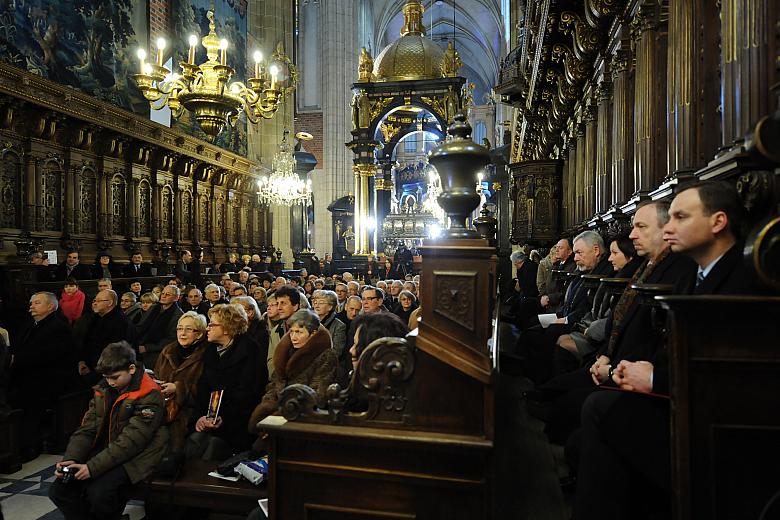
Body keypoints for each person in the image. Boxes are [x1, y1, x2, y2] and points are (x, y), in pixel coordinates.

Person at [573, 181, 762, 520]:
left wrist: (657, 379)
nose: (669, 227)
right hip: (686, 402)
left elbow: (737, 372)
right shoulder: (694, 275)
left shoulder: (745, 279)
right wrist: (639, 369)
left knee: (599, 409)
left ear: (718, 222)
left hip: (721, 427)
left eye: (680, 217)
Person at [49, 341, 168, 520]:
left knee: (100, 494)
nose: (110, 382)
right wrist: (71, 459)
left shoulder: (149, 394)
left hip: (138, 456)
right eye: (106, 377)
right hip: (107, 450)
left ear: (132, 369)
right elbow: (87, 429)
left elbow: (132, 441)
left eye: (115, 377)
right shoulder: (103, 388)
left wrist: (92, 467)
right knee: (59, 490)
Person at [189, 304, 266, 460]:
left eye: (212, 324)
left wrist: (223, 417)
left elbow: (248, 393)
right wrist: (201, 417)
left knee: (212, 448)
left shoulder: (250, 350)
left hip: (237, 422)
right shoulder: (211, 350)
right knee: (194, 443)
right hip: (210, 418)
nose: (207, 328)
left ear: (227, 328)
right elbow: (203, 388)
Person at [9, 292, 75, 460]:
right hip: (28, 372)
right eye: (31, 303)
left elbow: (50, 354)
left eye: (37, 303)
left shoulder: (58, 326)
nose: (31, 306)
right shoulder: (31, 323)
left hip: (50, 376)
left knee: (30, 399)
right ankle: (13, 444)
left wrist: (18, 360)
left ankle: (30, 446)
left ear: (50, 306)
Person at [248, 309, 337, 433]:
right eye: (292, 332)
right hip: (278, 410)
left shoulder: (325, 355)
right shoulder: (285, 352)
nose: (294, 337)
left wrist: (286, 410)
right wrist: (268, 404)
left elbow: (318, 394)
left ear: (313, 334)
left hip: (302, 417)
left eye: (299, 332)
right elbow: (274, 385)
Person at [153, 312, 209, 452]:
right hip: (162, 405)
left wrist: (178, 388)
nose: (182, 333)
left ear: (200, 333)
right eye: (179, 328)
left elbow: (206, 391)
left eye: (189, 329)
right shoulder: (168, 351)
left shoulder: (207, 354)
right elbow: (156, 374)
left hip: (189, 412)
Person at [79, 290, 134, 386]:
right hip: (90, 365)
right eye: (94, 301)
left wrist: (94, 369)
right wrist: (82, 361)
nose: (95, 303)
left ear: (110, 303)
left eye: (98, 301)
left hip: (108, 371)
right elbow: (87, 342)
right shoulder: (96, 318)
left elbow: (116, 353)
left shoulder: (120, 322)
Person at [136, 285, 183, 370]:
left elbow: (171, 339)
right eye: (163, 293)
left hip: (159, 349)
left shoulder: (178, 315)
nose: (163, 296)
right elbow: (141, 326)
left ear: (176, 298)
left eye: (168, 294)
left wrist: (147, 348)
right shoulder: (154, 308)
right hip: (142, 343)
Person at [311, 290, 347, 385]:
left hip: (327, 372)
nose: (317, 305)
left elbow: (336, 352)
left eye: (321, 302)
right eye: (315, 302)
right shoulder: (308, 323)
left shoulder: (339, 326)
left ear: (330, 307)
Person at [266, 286, 301, 378]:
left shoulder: (310, 328)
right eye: (277, 303)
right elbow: (271, 361)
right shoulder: (275, 331)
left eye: (283, 303)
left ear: (295, 306)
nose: (279, 308)